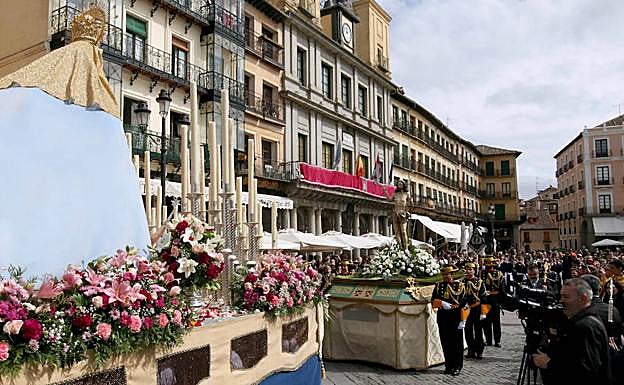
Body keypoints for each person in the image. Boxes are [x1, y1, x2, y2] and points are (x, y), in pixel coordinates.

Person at [532, 278, 612, 384]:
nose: (561, 301)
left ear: (582, 298)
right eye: (561, 296)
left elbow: (586, 370)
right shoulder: (581, 321)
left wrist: (549, 364)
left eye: (566, 297)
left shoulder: (585, 326)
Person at [431, 265, 466, 376]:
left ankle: (457, 366)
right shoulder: (438, 285)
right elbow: (432, 300)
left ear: (452, 275)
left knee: (456, 343)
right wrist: (441, 303)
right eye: (444, 274)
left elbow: (464, 302)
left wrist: (462, 319)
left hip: (455, 316)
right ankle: (448, 365)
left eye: (448, 274)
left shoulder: (459, 286)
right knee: (445, 342)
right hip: (443, 316)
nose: (446, 276)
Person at [462, 262, 487, 359]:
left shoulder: (479, 282)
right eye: (467, 269)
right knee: (467, 330)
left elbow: (483, 297)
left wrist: (483, 312)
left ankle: (479, 351)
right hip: (465, 309)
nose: (468, 271)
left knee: (478, 330)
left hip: (476, 308)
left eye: (470, 269)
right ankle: (471, 350)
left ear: (474, 270)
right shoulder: (462, 282)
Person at [482, 257, 504, 347]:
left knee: (496, 321)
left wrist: (500, 300)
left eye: (490, 266)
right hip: (485, 300)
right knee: (486, 321)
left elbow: (502, 289)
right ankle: (488, 340)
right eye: (487, 266)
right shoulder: (482, 273)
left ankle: (497, 340)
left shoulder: (498, 274)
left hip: (495, 300)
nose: (489, 268)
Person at [391, 180, 410, 250]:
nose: (399, 185)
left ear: (403, 185)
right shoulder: (395, 194)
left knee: (403, 231)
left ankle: (406, 248)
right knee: (397, 232)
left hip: (403, 214)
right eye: (398, 184)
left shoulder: (407, 194)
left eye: (401, 184)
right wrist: (385, 192)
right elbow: (389, 199)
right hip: (395, 213)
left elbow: (410, 204)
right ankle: (400, 248)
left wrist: (407, 210)